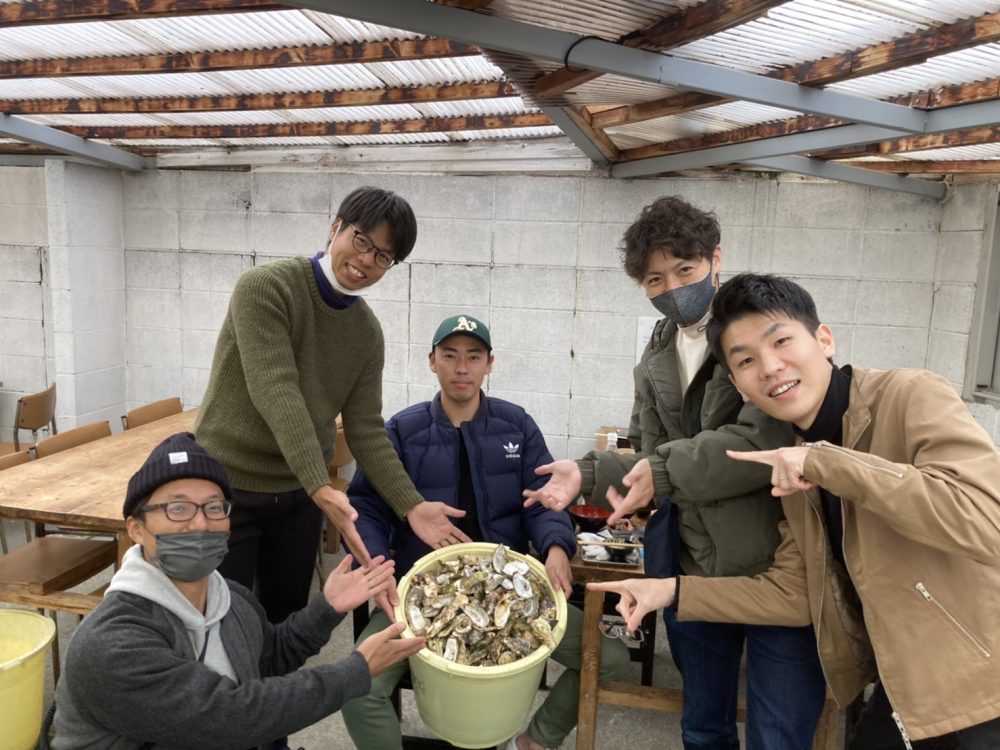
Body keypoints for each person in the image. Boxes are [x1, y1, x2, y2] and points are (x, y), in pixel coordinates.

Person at [591, 273, 1000, 750]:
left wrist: (828, 461)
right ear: (739, 387)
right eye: (745, 361)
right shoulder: (794, 457)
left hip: (980, 682)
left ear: (823, 339)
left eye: (781, 340)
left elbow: (984, 518)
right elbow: (793, 593)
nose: (769, 366)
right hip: (903, 686)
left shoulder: (910, 396)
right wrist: (669, 590)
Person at [524, 197, 826, 749]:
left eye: (685, 271)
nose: (672, 287)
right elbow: (650, 450)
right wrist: (588, 473)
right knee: (702, 725)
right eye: (655, 278)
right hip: (690, 567)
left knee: (778, 734)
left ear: (716, 260)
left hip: (775, 566)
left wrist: (656, 470)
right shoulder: (657, 351)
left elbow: (762, 439)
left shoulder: (751, 337)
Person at [341, 314, 630, 750]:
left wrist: (555, 544)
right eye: (450, 356)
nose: (462, 368)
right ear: (431, 362)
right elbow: (366, 507)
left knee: (610, 658)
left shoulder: (516, 425)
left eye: (473, 357)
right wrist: (380, 568)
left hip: (513, 590)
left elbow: (545, 497)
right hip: (421, 592)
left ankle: (533, 741)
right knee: (356, 686)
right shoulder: (402, 430)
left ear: (489, 364)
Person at [194, 186, 471, 625]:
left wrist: (410, 504)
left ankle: (274, 693)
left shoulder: (366, 332)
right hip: (227, 486)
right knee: (218, 620)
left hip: (298, 496)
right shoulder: (267, 287)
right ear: (336, 228)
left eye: (384, 256)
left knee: (284, 617)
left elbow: (365, 428)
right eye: (362, 241)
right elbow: (276, 389)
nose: (366, 260)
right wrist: (320, 484)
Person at [52, 432, 426, 749]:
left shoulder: (229, 597)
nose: (200, 523)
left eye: (214, 507)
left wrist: (326, 607)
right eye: (178, 508)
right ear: (135, 527)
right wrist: (354, 671)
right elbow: (229, 716)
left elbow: (266, 660)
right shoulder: (113, 642)